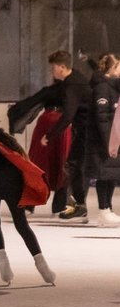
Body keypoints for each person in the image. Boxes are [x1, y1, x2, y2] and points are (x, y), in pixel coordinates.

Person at [0, 112, 56, 286]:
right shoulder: (3, 138)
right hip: (11, 181)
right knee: (21, 224)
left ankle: (4, 267)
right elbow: (21, 157)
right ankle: (43, 266)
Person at [7, 75, 71, 215]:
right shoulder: (71, 90)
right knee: (62, 163)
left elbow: (30, 102)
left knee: (38, 162)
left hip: (45, 123)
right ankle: (59, 206)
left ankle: (30, 204)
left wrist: (14, 113)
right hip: (63, 125)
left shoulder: (48, 90)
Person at [44, 50, 92, 221]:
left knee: (75, 165)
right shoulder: (75, 79)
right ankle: (78, 204)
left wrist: (50, 135)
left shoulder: (72, 85)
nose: (52, 71)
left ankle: (81, 206)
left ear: (62, 67)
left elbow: (68, 115)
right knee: (73, 165)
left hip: (88, 130)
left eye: (53, 68)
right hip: (84, 129)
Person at [85, 53, 120, 226]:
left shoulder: (113, 87)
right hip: (102, 141)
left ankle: (109, 209)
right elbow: (102, 117)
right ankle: (103, 209)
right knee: (103, 175)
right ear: (112, 68)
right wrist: (109, 141)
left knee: (111, 174)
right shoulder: (102, 88)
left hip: (113, 139)